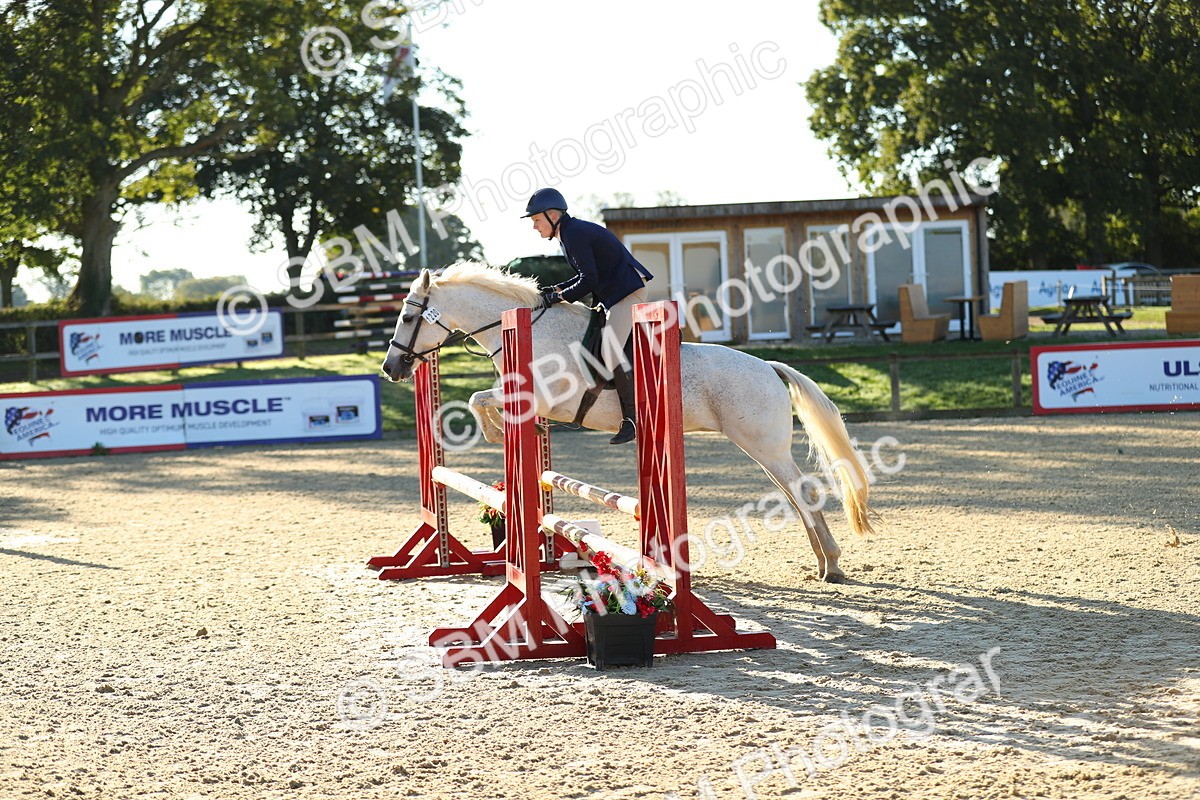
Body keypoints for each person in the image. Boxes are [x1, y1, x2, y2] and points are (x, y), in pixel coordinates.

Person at [521, 187, 654, 444]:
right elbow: (585, 275)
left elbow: (588, 280)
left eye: (536, 220)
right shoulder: (570, 233)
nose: (535, 227)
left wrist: (558, 297)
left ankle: (633, 419)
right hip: (614, 295)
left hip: (627, 293)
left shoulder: (574, 234)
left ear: (552, 215)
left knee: (610, 351)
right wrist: (557, 289)